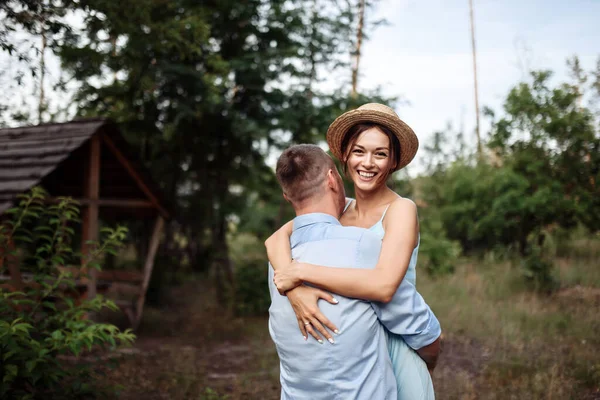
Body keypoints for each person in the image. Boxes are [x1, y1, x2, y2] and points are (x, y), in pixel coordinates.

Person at [266, 103, 441, 398]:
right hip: (352, 350)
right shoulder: (340, 210)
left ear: (393, 160)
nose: (368, 163)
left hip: (395, 340)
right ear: (345, 155)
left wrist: (301, 271)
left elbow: (385, 286)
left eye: (380, 153)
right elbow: (274, 241)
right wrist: (294, 291)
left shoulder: (400, 210)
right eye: (359, 151)